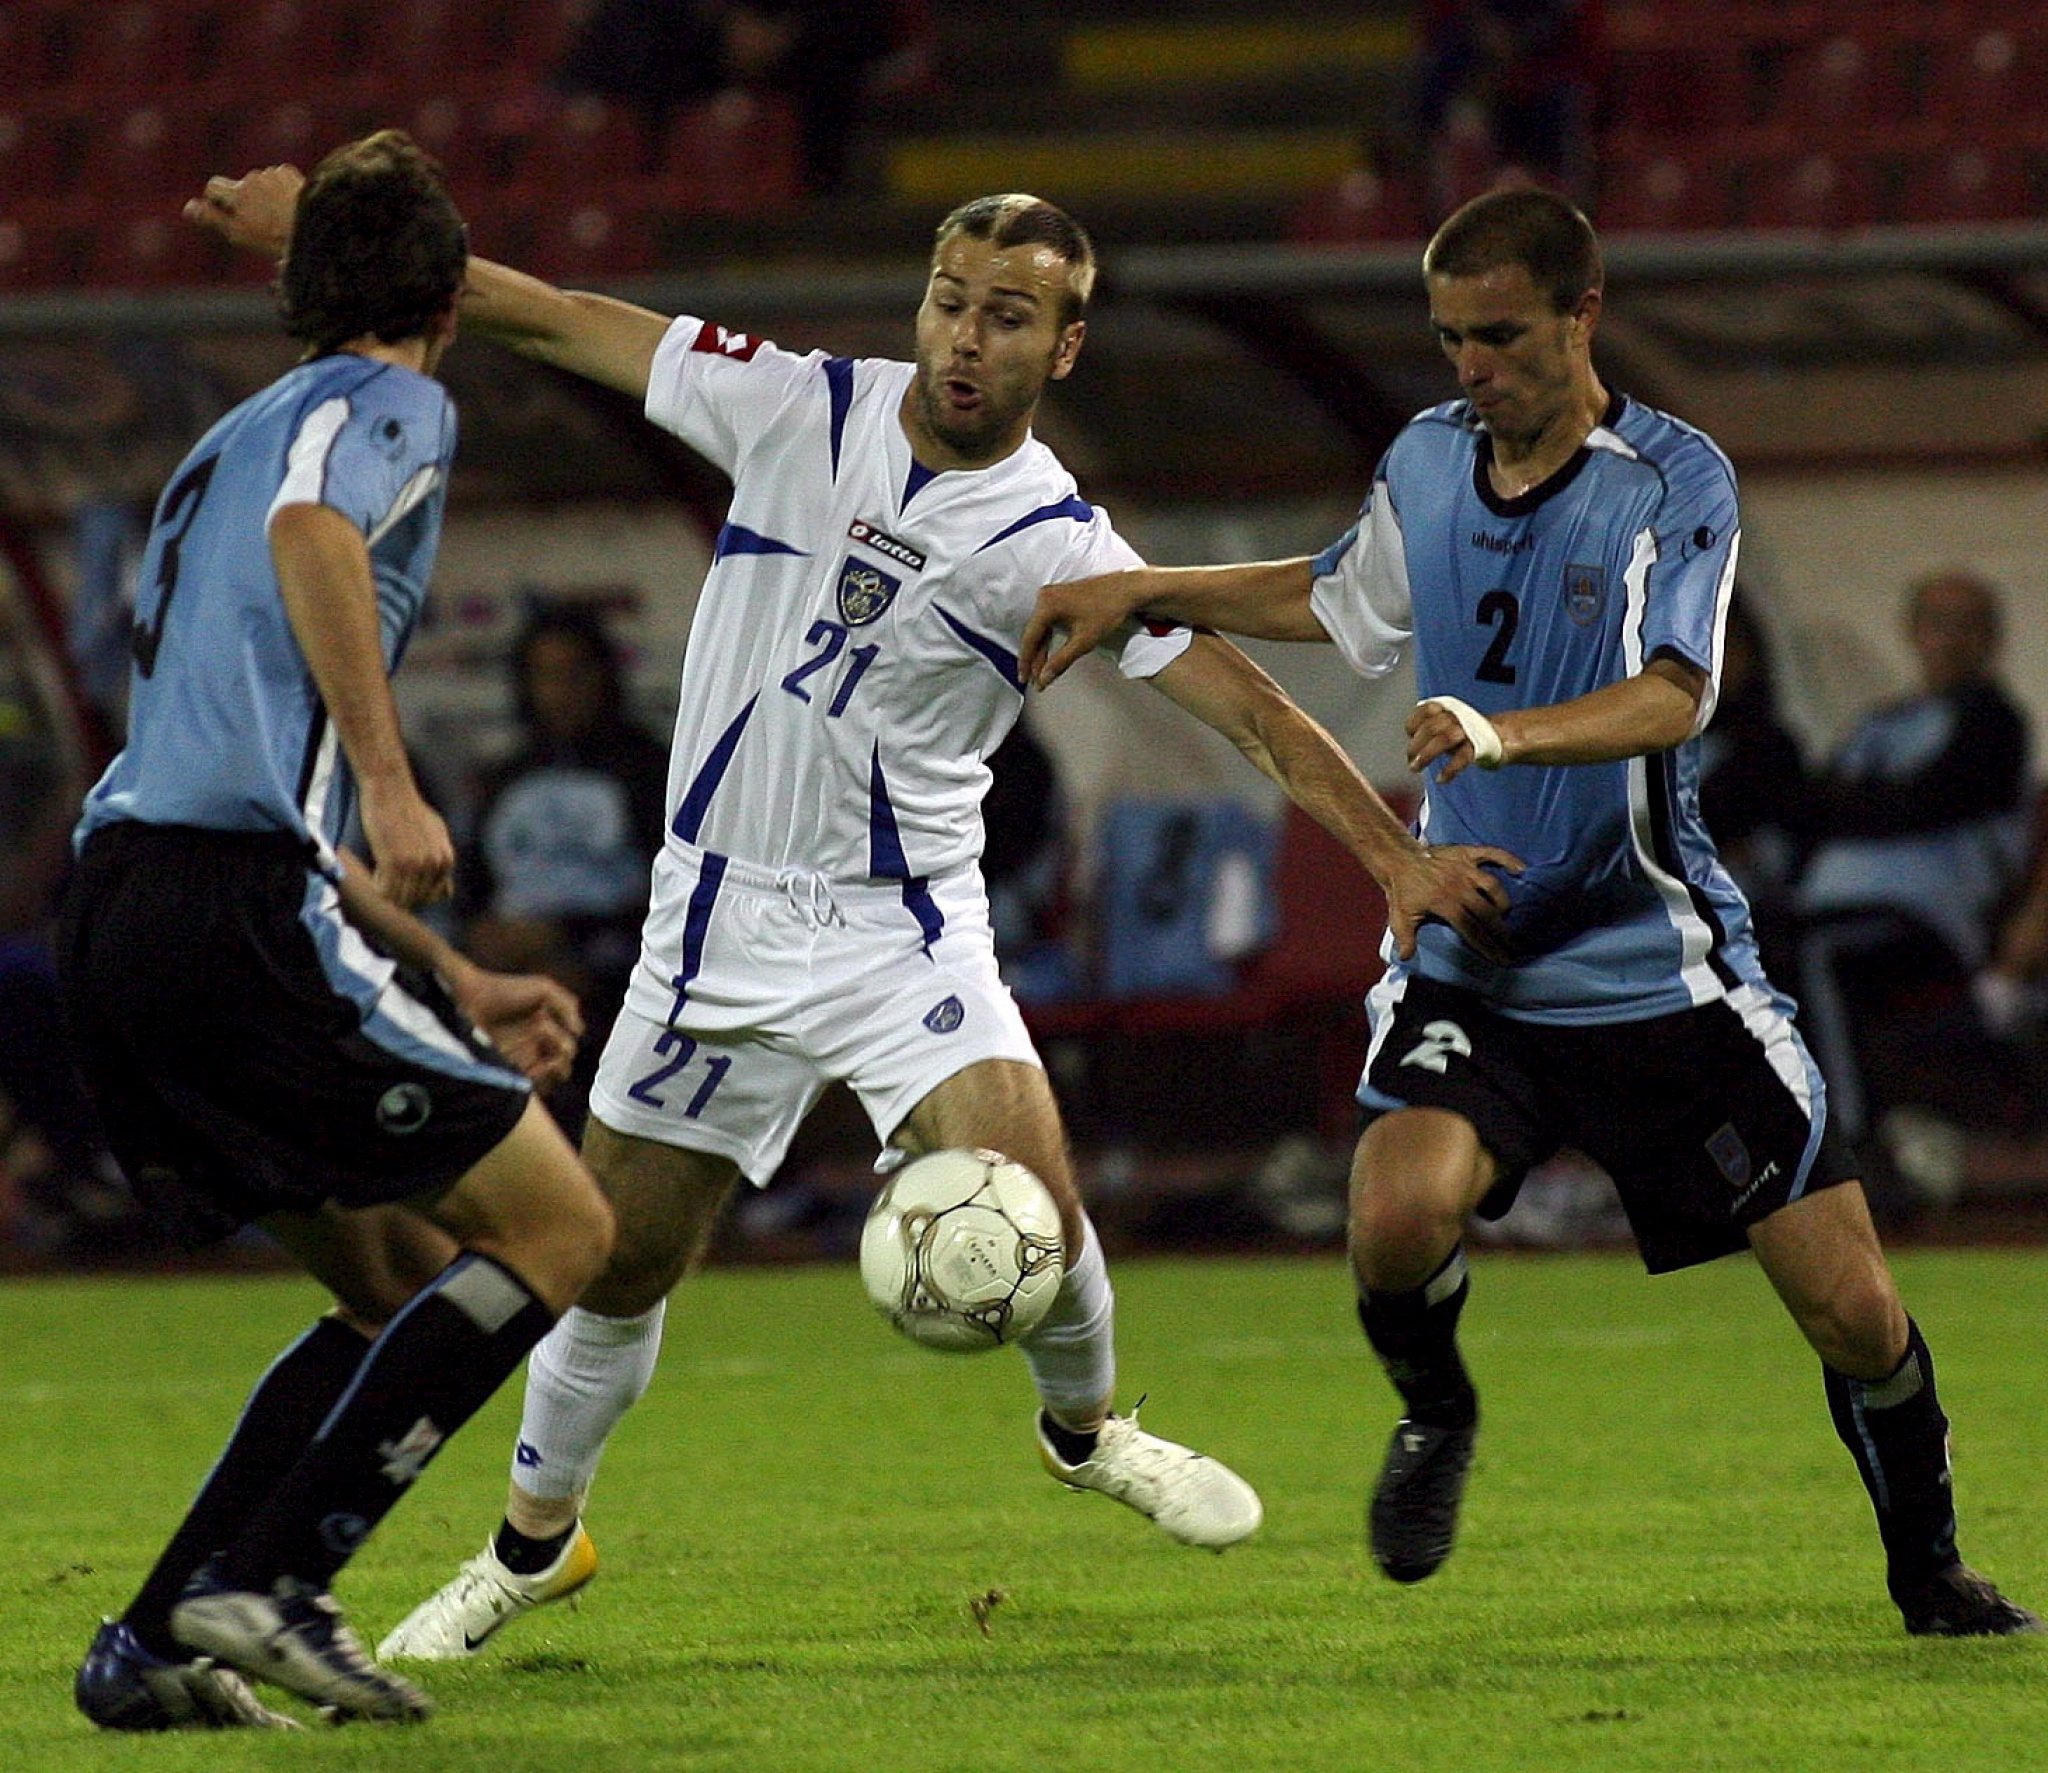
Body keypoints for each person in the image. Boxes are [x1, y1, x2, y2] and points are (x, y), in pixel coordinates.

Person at [189, 171, 1519, 1659]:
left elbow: (1258, 713)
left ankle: (1087, 1433)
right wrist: (331, 235)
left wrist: (1396, 862)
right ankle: (532, 1547)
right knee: (613, 1262)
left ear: (1062, 347)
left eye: (1007, 317)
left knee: (1034, 1197)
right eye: (951, 300)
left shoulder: (1057, 544)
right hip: (711, 921)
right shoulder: (797, 408)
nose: (965, 337)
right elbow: (558, 320)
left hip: (901, 931)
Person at [1021, 186, 2037, 1638]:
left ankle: (1928, 1563)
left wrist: (1504, 736)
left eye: (1499, 336)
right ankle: (1437, 1416)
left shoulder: (1672, 478)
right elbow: (1337, 598)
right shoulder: (1429, 456)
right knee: (1392, 1215)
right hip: (1478, 952)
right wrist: (1140, 587)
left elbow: (1677, 693)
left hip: (1654, 961)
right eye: (1448, 339)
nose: (1470, 369)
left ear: (1582, 315)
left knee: (1857, 1316)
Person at [61, 132, 617, 1731]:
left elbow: (234, 749)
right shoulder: (392, 404)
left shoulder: (226, 433)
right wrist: (394, 779)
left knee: (397, 1280)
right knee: (560, 1232)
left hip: (130, 907)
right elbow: (319, 544)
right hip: (229, 908)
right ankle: (282, 1579)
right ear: (445, 298)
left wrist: (451, 970)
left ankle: (158, 1644)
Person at [1791, 570, 2033, 1179]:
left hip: (1923, 928)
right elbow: (1810, 807)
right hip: (1821, 909)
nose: (1949, 640)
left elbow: (1929, 800)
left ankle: (1849, 1144)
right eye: (1935, 623)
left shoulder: (1994, 723)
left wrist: (1855, 801)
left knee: (1816, 957)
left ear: (1991, 639)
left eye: (1966, 625)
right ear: (1911, 633)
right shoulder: (1879, 725)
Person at [458, 602, 670, 1138]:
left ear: (604, 676)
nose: (560, 690)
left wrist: (566, 935)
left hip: (616, 960)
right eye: (544, 675)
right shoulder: (505, 776)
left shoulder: (648, 769)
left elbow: (681, 896)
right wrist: (480, 937)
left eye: (574, 673)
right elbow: (469, 894)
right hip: (510, 963)